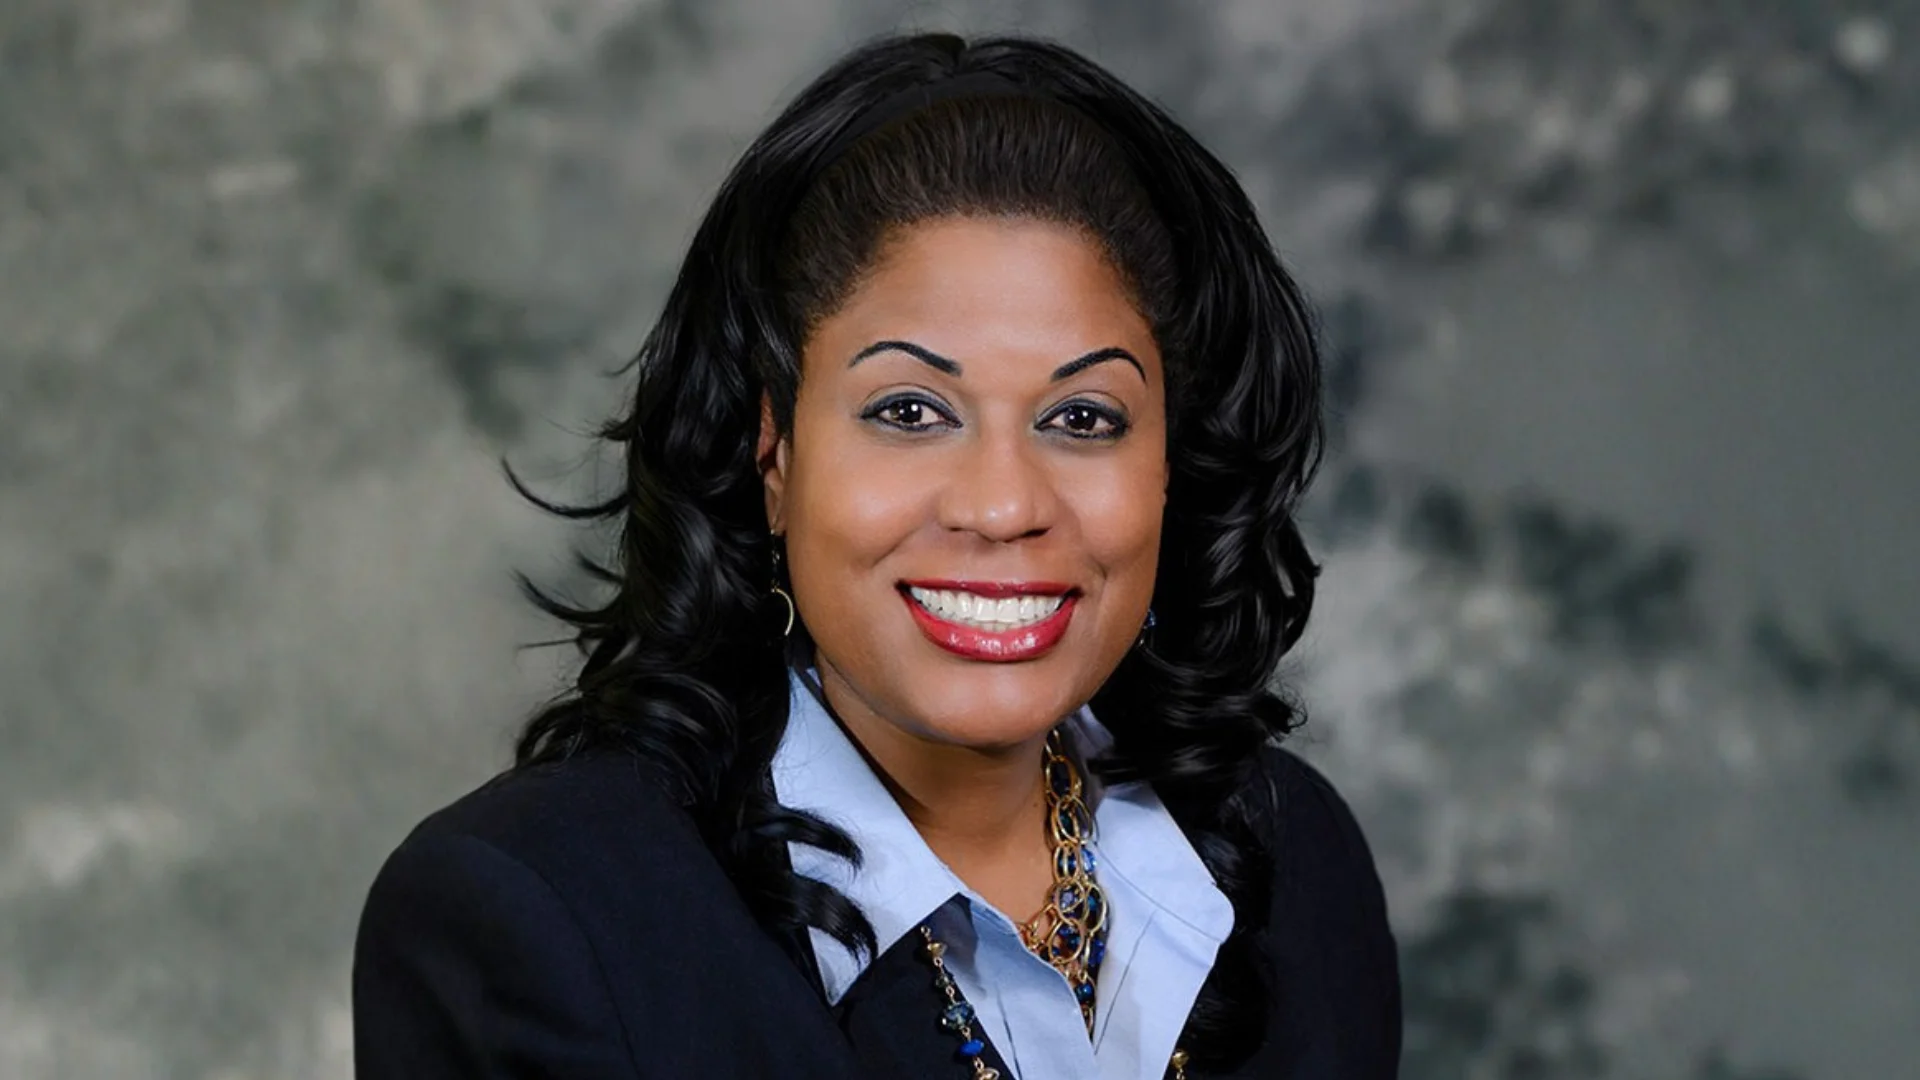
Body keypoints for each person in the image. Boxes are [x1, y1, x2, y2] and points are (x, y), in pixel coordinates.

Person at [351, 30, 1400, 1080]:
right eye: (910, 410)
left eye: (1084, 418)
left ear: (1172, 466)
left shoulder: (1298, 866)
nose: (1002, 506)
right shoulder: (538, 920)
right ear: (775, 451)